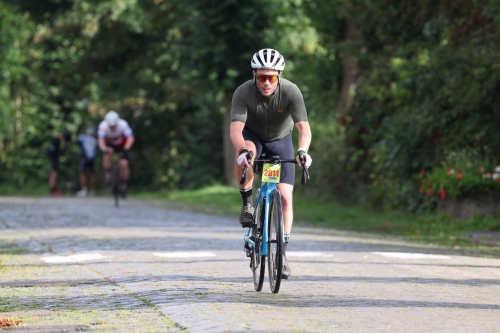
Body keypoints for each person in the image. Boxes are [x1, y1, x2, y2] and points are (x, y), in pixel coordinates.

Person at [230, 48, 313, 279]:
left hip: (280, 141)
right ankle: (247, 204)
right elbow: (236, 129)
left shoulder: (291, 91)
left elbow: (303, 128)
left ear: (279, 76)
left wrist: (302, 151)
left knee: (286, 197)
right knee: (247, 155)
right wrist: (242, 150)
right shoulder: (243, 92)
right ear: (254, 74)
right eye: (262, 77)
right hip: (253, 138)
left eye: (272, 77)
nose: (267, 82)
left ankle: (282, 255)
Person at [97, 110, 134, 198]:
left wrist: (126, 148)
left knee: (123, 164)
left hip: (122, 146)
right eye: (111, 126)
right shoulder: (103, 126)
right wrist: (104, 148)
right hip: (110, 146)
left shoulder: (123, 124)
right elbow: (101, 140)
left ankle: (123, 185)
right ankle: (108, 174)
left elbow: (130, 138)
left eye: (114, 126)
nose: (112, 128)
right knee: (106, 154)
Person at [47, 131, 72, 196]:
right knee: (55, 172)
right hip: (53, 158)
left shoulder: (55, 139)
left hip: (53, 157)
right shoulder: (56, 140)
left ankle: (53, 189)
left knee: (55, 171)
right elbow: (54, 151)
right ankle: (53, 189)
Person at [75, 128, 98, 197]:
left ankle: (84, 189)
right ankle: (92, 190)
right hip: (92, 159)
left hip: (84, 158)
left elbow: (78, 140)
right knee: (92, 173)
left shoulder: (83, 138)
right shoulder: (95, 141)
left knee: (82, 173)